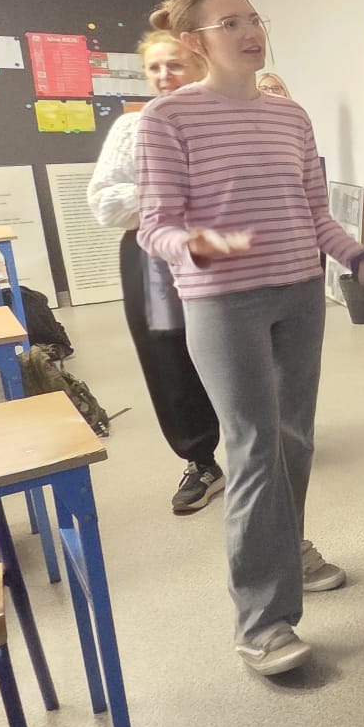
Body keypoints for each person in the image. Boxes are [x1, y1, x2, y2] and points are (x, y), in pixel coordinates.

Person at [136, 0, 364, 678]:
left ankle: (289, 551)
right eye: (230, 23)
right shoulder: (167, 120)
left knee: (295, 440)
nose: (250, 33)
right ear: (194, 41)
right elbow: (155, 227)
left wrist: (356, 256)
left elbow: (315, 214)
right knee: (252, 448)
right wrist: (198, 244)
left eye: (254, 19)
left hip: (300, 295)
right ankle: (262, 621)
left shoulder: (290, 117)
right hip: (223, 304)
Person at [87, 30, 226, 514]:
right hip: (154, 258)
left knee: (243, 345)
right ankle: (201, 460)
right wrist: (173, 193)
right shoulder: (133, 128)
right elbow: (106, 204)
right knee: (168, 355)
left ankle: (265, 446)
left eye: (176, 64)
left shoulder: (229, 119)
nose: (164, 76)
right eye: (155, 68)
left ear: (201, 63)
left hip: (227, 252)